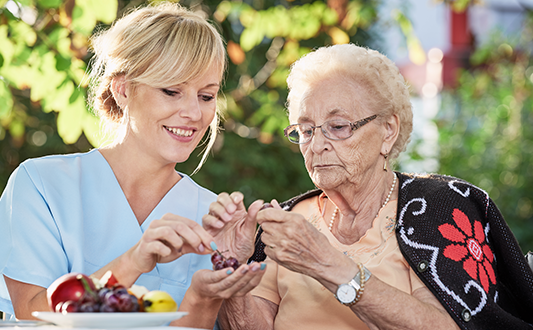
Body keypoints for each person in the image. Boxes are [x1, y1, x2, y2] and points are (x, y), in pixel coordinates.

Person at [204, 44, 533, 329]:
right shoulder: (289, 223)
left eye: (337, 126)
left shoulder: (438, 209)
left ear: (388, 131)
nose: (316, 144)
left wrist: (327, 264)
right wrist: (231, 264)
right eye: (305, 130)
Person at [0, 2, 266, 327]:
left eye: (206, 96)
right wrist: (133, 260)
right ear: (123, 89)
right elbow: (30, 311)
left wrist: (230, 266)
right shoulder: (40, 185)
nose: (194, 113)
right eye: (172, 91)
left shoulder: (216, 219)